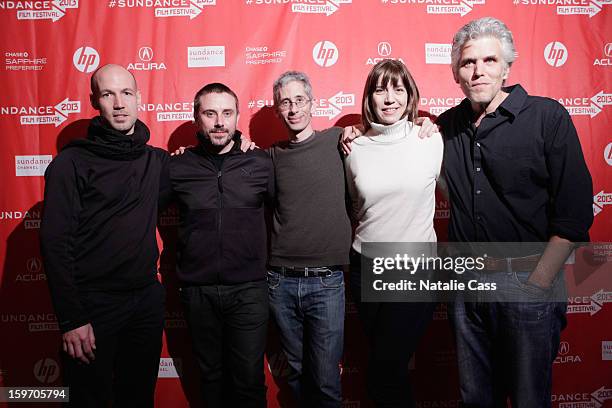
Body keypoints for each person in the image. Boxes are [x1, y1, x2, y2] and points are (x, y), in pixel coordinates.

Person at [437, 17, 593, 407]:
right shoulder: (444, 126)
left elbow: (573, 212)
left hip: (528, 282)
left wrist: (538, 280)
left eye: (489, 60)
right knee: (475, 398)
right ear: (456, 72)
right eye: (468, 62)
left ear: (507, 66)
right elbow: (389, 136)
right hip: (467, 285)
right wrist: (352, 134)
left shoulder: (547, 117)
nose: (478, 71)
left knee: (528, 399)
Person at [40, 64, 168, 407]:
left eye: (126, 93)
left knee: (139, 399)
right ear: (94, 101)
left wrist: (239, 146)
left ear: (139, 98)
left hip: (145, 303)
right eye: (108, 94)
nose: (119, 103)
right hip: (92, 308)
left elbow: (206, 170)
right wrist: (72, 319)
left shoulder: (156, 161)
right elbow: (55, 244)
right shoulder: (71, 164)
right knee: (89, 400)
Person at [343, 59, 443, 408]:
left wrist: (430, 122)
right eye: (380, 89)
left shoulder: (430, 139)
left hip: (413, 271)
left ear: (410, 95)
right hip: (365, 268)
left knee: (383, 370)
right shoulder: (352, 148)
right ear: (369, 97)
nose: (389, 98)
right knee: (392, 367)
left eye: (397, 89)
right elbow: (356, 204)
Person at [167, 83, 274, 408]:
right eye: (210, 113)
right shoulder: (176, 167)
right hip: (198, 292)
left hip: (248, 290)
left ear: (237, 117)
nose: (219, 122)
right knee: (211, 380)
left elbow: (287, 212)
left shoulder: (260, 163)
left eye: (227, 113)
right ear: (196, 117)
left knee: (249, 381)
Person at [267, 71, 351, 408]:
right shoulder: (270, 156)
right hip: (279, 283)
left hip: (326, 282)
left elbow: (387, 129)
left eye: (299, 100)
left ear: (312, 103)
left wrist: (424, 124)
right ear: (277, 110)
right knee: (297, 373)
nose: (293, 109)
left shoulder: (339, 140)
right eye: (285, 102)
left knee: (327, 380)